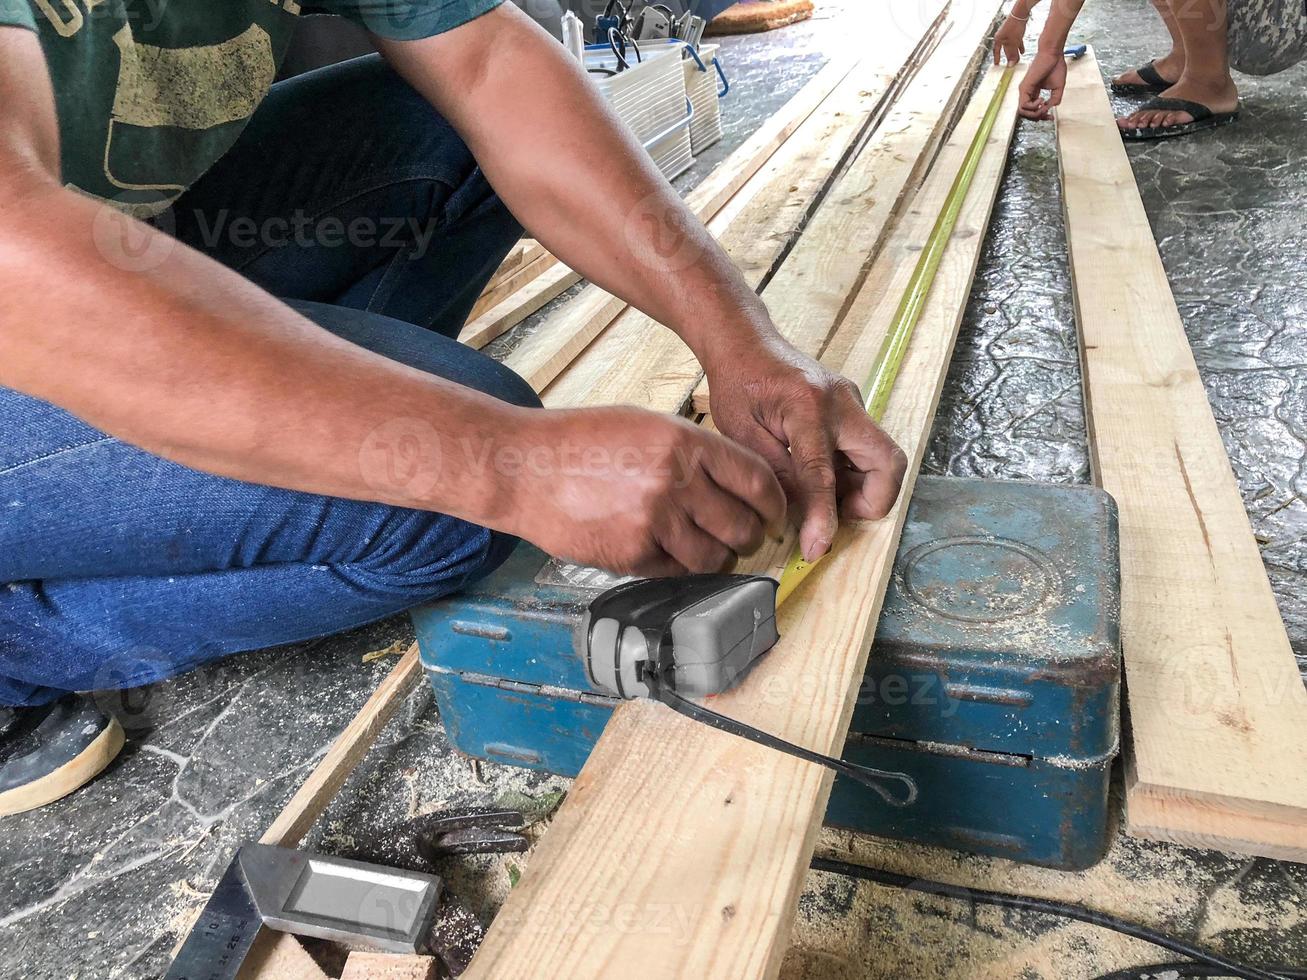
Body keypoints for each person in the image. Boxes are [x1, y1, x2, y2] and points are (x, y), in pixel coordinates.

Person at [0, 0, 906, 814]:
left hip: (99, 251)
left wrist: (739, 342)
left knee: (432, 124)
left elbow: (484, 65)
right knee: (437, 494)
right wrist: (502, 464)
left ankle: (267, 450)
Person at [994, 0, 1307, 139]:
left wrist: (1048, 43)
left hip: (1281, 23)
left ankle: (1207, 80)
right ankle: (1189, 56)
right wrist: (1024, 19)